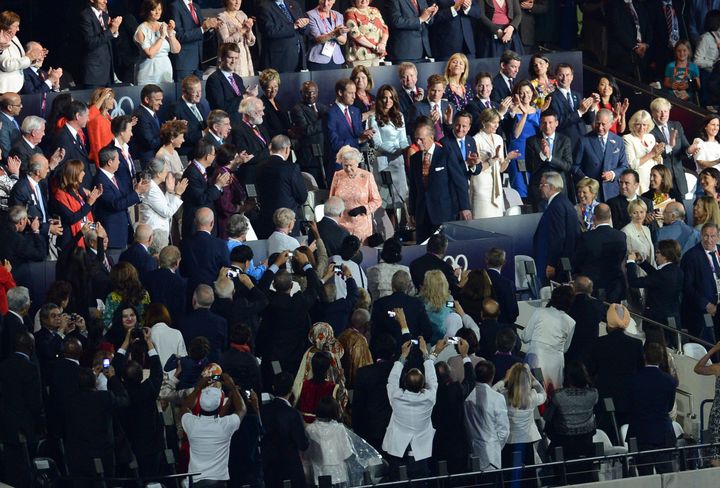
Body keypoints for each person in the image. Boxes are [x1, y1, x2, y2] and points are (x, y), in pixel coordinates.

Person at [382, 337, 437, 478]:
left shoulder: (396, 397)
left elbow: (392, 379)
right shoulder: (429, 398)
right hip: (419, 455)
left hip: (399, 453)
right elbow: (432, 380)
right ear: (423, 385)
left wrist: (403, 356)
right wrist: (425, 353)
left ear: (404, 383)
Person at [409, 124, 471, 241]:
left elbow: (460, 181)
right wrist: (412, 211)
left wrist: (464, 207)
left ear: (431, 137)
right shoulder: (415, 159)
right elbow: (413, 187)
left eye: (421, 139)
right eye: (416, 138)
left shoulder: (446, 155)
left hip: (443, 212)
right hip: (422, 214)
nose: (418, 142)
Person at [588, 303, 644, 433]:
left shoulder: (598, 344)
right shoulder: (636, 344)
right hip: (628, 398)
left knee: (607, 434)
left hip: (604, 398)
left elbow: (591, 371)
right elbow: (640, 371)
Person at [181, 372, 245, 486]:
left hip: (195, 482)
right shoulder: (225, 425)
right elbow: (242, 409)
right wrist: (232, 387)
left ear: (200, 403)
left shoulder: (191, 424)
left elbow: (185, 406)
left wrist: (198, 387)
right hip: (218, 482)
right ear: (219, 404)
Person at [0, 332, 45, 488]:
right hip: (25, 430)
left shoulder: (4, 366)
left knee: (10, 472)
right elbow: (35, 402)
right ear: (31, 348)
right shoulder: (30, 368)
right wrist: (40, 425)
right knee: (24, 473)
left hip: (6, 428)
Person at [543, 361, 598, 485]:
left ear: (567, 377)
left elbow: (547, 417)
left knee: (550, 427)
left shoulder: (558, 395)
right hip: (585, 442)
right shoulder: (593, 394)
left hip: (563, 442)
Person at [628, 342, 678, 475]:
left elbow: (630, 405)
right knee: (666, 474)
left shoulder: (633, 380)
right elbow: (669, 407)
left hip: (640, 432)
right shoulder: (670, 381)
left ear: (644, 357)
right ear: (661, 359)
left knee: (645, 475)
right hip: (662, 432)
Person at [494, 363, 546, 487]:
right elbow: (543, 394)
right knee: (528, 478)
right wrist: (533, 379)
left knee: (509, 477)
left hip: (509, 442)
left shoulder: (503, 396)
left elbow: (491, 392)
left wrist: (504, 380)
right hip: (526, 442)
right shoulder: (532, 396)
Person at [93, 146, 149, 257]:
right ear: (110, 162)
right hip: (112, 235)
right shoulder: (100, 180)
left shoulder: (113, 178)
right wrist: (136, 192)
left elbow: (125, 197)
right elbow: (115, 204)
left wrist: (137, 190)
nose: (119, 162)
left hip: (122, 233)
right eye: (118, 159)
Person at [520, 285, 575, 393]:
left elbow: (525, 337)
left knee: (533, 392)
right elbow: (565, 348)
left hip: (536, 358)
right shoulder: (571, 322)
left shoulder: (540, 312)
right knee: (553, 396)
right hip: (556, 365)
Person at [628, 240, 684, 345]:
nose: (656, 255)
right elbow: (657, 277)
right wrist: (642, 262)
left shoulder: (663, 275)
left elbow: (634, 282)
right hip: (672, 317)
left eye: (658, 252)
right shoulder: (677, 271)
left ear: (665, 255)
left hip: (657, 322)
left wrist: (630, 262)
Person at [262, 372, 310, 488]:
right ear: (291, 389)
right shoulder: (293, 414)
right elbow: (303, 444)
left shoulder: (263, 410)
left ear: (273, 387)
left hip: (270, 468)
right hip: (290, 469)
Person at [572, 203, 628, 302]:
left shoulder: (587, 237)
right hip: (615, 285)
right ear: (610, 217)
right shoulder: (621, 236)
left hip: (593, 286)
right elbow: (622, 257)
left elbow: (577, 261)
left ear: (594, 217)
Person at [571, 108, 629, 202]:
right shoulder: (584, 140)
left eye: (603, 124)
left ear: (611, 124)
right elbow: (574, 166)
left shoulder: (618, 141)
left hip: (612, 192)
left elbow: (624, 166)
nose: (600, 127)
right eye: (598, 123)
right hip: (591, 193)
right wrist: (587, 180)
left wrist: (613, 174)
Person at [533, 172, 579, 285]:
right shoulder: (564, 202)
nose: (540, 187)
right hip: (565, 262)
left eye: (542, 184)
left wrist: (552, 263)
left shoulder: (556, 206)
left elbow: (558, 237)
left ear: (552, 186)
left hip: (558, 265)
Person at [370, 85, 409, 216]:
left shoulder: (400, 116)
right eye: (385, 98)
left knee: (401, 196)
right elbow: (377, 143)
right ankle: (388, 230)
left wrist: (407, 149)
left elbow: (403, 139)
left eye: (391, 97)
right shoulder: (374, 118)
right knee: (386, 198)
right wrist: (397, 150)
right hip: (383, 162)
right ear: (380, 99)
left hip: (398, 161)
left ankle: (403, 225)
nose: (388, 101)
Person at [329, 145, 382, 243]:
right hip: (342, 224)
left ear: (357, 163)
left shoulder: (367, 176)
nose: (348, 168)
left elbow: (377, 200)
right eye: (345, 165)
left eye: (351, 165)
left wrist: (363, 209)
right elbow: (332, 199)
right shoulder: (338, 175)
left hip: (361, 225)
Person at [464, 360, 509, 471]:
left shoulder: (466, 395)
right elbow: (504, 431)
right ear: (492, 376)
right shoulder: (497, 398)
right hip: (491, 455)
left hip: (470, 449)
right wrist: (496, 447)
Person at [325, 79, 374, 178]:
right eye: (350, 93)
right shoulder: (330, 114)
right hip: (339, 167)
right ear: (340, 92)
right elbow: (334, 144)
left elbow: (359, 140)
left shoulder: (356, 112)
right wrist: (358, 140)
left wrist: (365, 136)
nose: (354, 96)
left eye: (355, 93)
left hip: (357, 166)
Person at [181, 139, 230, 237]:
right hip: (196, 226)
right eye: (213, 154)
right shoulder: (192, 173)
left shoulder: (200, 170)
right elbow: (201, 199)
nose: (214, 157)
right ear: (207, 156)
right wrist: (218, 185)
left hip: (204, 223)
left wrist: (218, 186)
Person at [470, 109, 513, 218]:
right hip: (481, 184)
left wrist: (508, 158)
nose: (496, 125)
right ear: (484, 122)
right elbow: (475, 168)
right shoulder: (476, 139)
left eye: (497, 122)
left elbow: (500, 169)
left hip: (496, 184)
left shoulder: (499, 139)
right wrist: (492, 159)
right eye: (493, 122)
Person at [650, 97, 697, 197]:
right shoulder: (649, 129)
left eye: (666, 111)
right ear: (653, 113)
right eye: (659, 112)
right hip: (662, 180)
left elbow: (684, 148)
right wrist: (669, 146)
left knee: (682, 210)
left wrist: (689, 151)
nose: (663, 115)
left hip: (679, 178)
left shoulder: (676, 125)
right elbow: (654, 155)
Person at [50, 159, 102, 249]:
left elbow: (86, 212)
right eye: (81, 171)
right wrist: (89, 204)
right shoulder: (60, 195)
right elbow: (71, 218)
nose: (84, 173)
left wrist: (93, 199)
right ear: (74, 174)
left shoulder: (78, 189)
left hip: (86, 236)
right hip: (71, 241)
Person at [681, 223, 720, 338]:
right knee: (707, 343)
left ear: (718, 237)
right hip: (703, 311)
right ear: (701, 236)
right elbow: (687, 287)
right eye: (706, 236)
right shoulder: (691, 257)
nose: (709, 240)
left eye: (712, 236)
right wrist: (706, 305)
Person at [133, 0, 180, 85]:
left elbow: (176, 50)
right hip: (147, 73)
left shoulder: (164, 25)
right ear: (147, 10)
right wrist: (161, 37)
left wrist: (170, 33)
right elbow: (150, 54)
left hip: (165, 71)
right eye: (154, 9)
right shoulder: (141, 29)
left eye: (159, 9)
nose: (157, 12)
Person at [290, 81, 327, 186]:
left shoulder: (322, 108)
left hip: (324, 156)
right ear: (301, 93)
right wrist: (324, 121)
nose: (311, 95)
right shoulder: (297, 109)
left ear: (318, 92)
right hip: (309, 158)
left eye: (313, 92)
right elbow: (306, 130)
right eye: (307, 92)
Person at [170, 0, 218, 80]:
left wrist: (211, 28)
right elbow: (179, 36)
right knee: (184, 91)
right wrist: (203, 28)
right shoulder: (175, 6)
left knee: (198, 92)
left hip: (199, 62)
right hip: (185, 63)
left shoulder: (196, 6)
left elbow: (201, 35)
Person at [256, 0, 309, 73]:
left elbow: (304, 30)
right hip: (279, 59)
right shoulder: (264, 7)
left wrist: (304, 25)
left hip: (298, 56)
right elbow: (270, 31)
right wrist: (294, 26)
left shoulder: (293, 3)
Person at [52, 100, 94, 191]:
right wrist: (80, 190)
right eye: (87, 116)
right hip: (76, 192)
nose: (88, 119)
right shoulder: (63, 138)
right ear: (78, 116)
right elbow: (62, 171)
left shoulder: (75, 135)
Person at [549, 63, 596, 145]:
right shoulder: (552, 97)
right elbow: (557, 122)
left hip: (582, 140)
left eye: (567, 75)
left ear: (572, 77)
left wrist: (591, 108)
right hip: (564, 142)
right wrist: (580, 112)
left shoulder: (577, 95)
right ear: (556, 76)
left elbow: (589, 121)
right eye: (561, 75)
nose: (564, 78)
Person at [78, 0, 121, 88]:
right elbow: (90, 42)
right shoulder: (85, 16)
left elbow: (106, 39)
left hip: (107, 72)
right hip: (94, 74)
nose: (105, 1)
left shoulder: (105, 15)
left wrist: (115, 31)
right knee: (95, 101)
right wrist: (111, 30)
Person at [565, 276, 606, 364]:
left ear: (574, 288)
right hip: (590, 352)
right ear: (591, 290)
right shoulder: (599, 306)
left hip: (569, 350)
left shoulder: (567, 303)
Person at [693, 340, 720, 466]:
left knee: (715, 453)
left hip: (717, 415)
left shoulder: (718, 368)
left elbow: (698, 368)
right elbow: (697, 369)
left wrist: (713, 350)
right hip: (717, 415)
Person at [623, 110, 664, 194]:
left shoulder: (650, 137)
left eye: (644, 125)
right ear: (633, 125)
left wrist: (658, 156)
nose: (642, 128)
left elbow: (657, 162)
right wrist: (652, 154)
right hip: (639, 181)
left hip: (653, 180)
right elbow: (631, 165)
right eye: (638, 124)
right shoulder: (627, 138)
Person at [143, 246, 187, 321]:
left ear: (159, 260)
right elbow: (180, 310)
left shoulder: (148, 277)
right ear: (177, 262)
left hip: (150, 321)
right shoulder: (180, 282)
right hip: (171, 324)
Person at [206, 43, 251, 114]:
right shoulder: (214, 79)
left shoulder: (237, 78)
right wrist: (244, 96)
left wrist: (249, 96)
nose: (233, 61)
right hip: (227, 122)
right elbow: (220, 107)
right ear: (222, 58)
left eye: (236, 58)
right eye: (230, 58)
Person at [217, 0, 256, 77]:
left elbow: (251, 41)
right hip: (230, 57)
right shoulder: (221, 17)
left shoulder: (242, 15)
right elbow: (225, 41)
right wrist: (243, 30)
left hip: (244, 55)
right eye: (234, 0)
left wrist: (248, 31)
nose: (237, 2)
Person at [306, 0, 347, 70]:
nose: (325, 4)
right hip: (318, 60)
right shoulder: (311, 15)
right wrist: (336, 33)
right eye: (323, 0)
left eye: (329, 0)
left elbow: (343, 41)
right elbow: (318, 39)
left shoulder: (338, 15)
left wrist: (327, 34)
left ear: (334, 1)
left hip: (337, 60)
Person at [130, 84, 164, 165]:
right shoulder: (140, 116)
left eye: (161, 100)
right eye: (157, 100)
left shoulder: (149, 112)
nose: (161, 103)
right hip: (147, 162)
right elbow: (150, 143)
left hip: (153, 159)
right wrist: (166, 135)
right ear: (147, 99)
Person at [86, 87, 115, 166]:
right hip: (105, 161)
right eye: (109, 98)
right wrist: (100, 165)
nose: (113, 101)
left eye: (113, 98)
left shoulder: (108, 117)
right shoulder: (97, 119)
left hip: (112, 157)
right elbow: (96, 143)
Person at [622, 199, 655, 267]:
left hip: (651, 272)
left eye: (641, 212)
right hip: (636, 272)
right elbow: (627, 256)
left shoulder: (646, 229)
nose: (639, 215)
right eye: (635, 213)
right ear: (630, 214)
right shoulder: (626, 231)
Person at [259, 69, 291, 139]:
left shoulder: (279, 103)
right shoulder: (260, 105)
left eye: (276, 86)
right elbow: (265, 131)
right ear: (263, 87)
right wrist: (287, 132)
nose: (273, 90)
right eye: (270, 87)